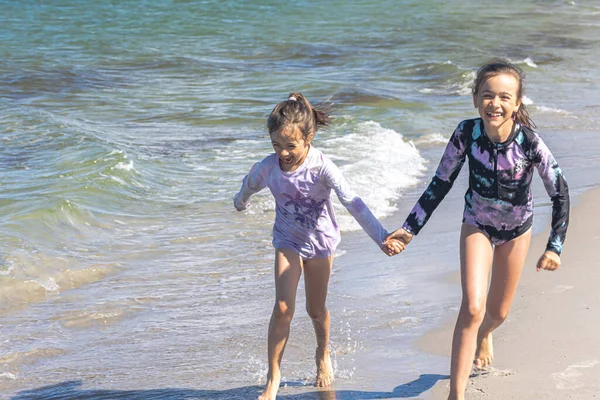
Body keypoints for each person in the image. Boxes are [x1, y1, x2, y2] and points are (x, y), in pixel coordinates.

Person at [386, 60, 569, 400]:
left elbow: (560, 191)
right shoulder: (465, 134)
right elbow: (440, 182)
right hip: (478, 225)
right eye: (487, 95)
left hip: (517, 231)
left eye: (503, 97)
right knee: (472, 306)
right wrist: (409, 229)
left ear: (516, 103)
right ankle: (457, 394)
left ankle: (486, 333)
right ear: (475, 99)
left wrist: (554, 246)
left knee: (497, 313)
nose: (494, 104)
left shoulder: (529, 142)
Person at [234, 92, 404, 400]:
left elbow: (354, 203)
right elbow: (250, 182)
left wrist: (382, 237)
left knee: (315, 309)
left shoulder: (323, 167)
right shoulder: (268, 167)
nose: (283, 153)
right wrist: (240, 201)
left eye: (290, 146)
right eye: (276, 146)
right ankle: (273, 379)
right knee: (283, 307)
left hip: (321, 244)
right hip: (287, 241)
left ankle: (322, 353)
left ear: (308, 137)